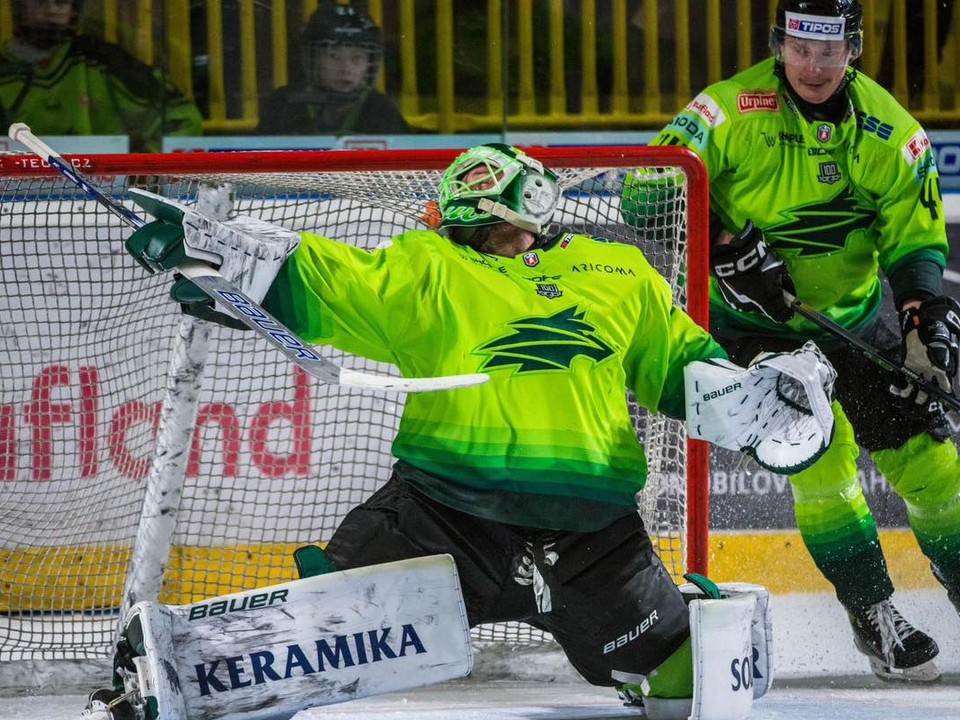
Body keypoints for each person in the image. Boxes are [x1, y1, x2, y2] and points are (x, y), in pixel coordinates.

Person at [90, 143, 835, 718]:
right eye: (474, 228)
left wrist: (764, 409)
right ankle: (153, 680)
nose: (491, 240)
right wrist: (235, 259)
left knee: (689, 684)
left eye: (502, 226)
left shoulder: (621, 274)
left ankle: (689, 620)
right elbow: (342, 279)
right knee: (304, 635)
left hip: (595, 540)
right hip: (441, 520)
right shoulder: (431, 268)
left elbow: (682, 369)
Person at [624, 0, 960, 684]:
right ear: (780, 45)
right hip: (754, 333)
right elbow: (642, 191)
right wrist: (724, 243)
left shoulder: (891, 132)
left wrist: (926, 315)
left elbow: (916, 238)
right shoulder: (726, 112)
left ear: (854, 49)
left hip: (854, 325)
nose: (813, 66)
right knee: (823, 454)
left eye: (829, 51)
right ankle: (873, 612)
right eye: (800, 49)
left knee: (933, 465)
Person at [0, 0, 203, 153]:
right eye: (41, 1)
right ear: (19, 5)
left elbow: (184, 118)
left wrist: (144, 170)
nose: (52, 9)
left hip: (105, 195)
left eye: (61, 1)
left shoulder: (104, 60)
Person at [255, 1, 410, 136]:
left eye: (357, 58)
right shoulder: (284, 103)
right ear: (313, 58)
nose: (346, 68)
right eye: (333, 56)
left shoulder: (381, 110)